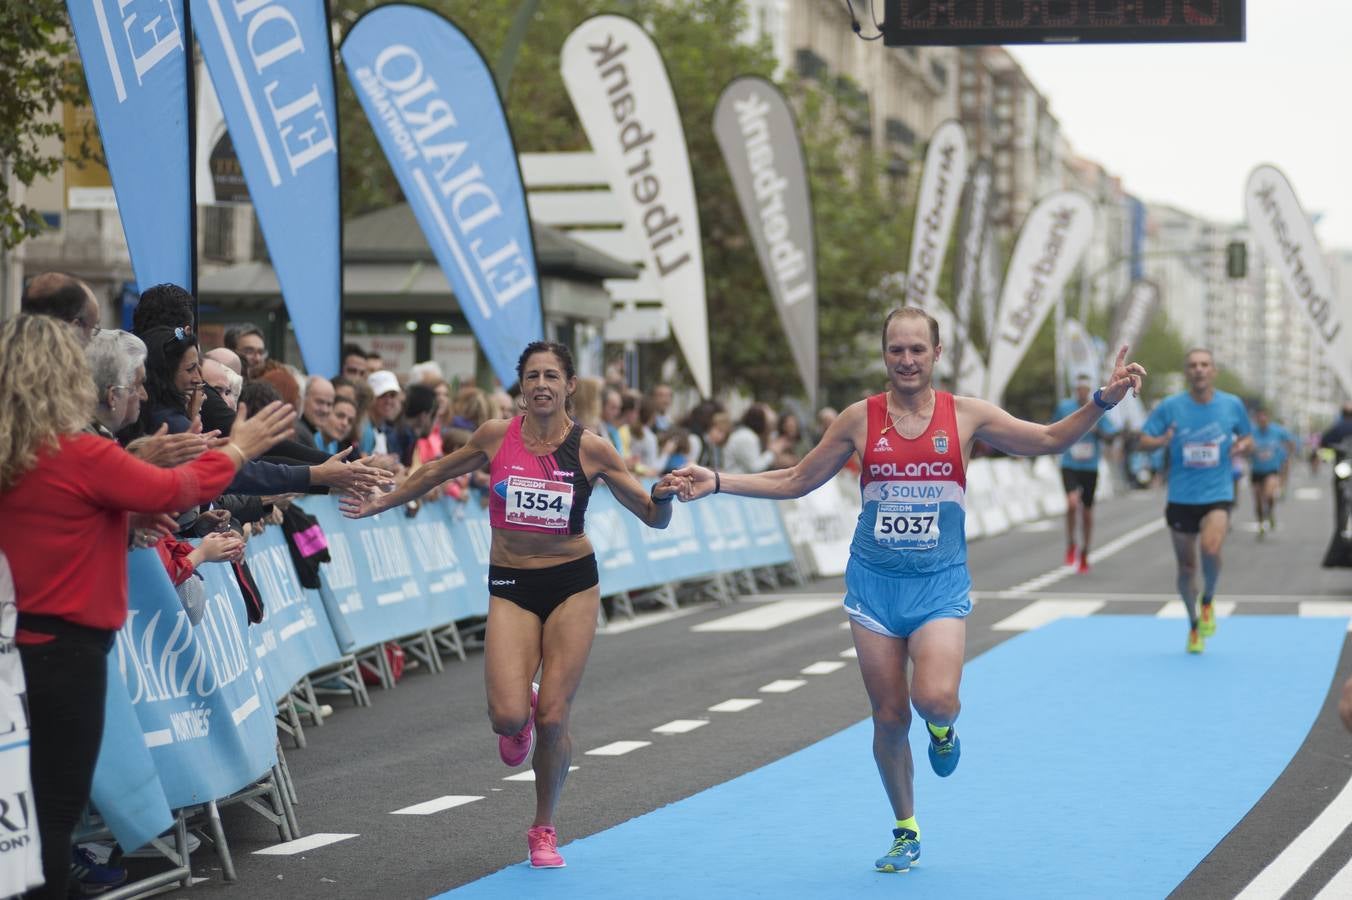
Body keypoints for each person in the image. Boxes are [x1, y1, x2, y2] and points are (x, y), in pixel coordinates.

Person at [668, 308, 1144, 874]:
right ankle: (905, 827)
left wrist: (1102, 403)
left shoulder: (965, 416)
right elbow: (797, 479)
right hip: (873, 588)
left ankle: (943, 731)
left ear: (936, 354)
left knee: (933, 700)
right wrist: (718, 481)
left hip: (939, 585)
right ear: (885, 355)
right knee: (890, 717)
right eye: (897, 350)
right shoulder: (858, 419)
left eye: (918, 349)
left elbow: (1045, 439)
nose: (907, 360)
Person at [341, 341, 681, 870]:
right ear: (520, 386)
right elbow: (436, 472)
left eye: (551, 375)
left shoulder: (592, 448)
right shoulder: (496, 436)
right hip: (511, 583)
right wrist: (384, 500)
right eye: (531, 376)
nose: (541, 384)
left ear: (570, 385)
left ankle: (543, 827)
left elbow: (652, 517)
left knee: (553, 718)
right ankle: (520, 714)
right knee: (507, 718)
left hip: (572, 584)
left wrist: (662, 496)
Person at [0, 314, 297, 900]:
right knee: (55, 810)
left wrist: (123, 518)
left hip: (19, 649)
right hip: (69, 652)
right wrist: (238, 448)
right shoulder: (76, 451)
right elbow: (172, 491)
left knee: (30, 808)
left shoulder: (18, 454)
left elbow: (63, 524)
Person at [1136, 348, 1251, 654]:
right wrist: (1162, 440)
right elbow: (1143, 440)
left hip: (1218, 493)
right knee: (1187, 568)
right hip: (1181, 497)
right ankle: (1193, 625)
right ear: (1187, 372)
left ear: (1213, 370)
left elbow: (1248, 436)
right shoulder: (1170, 407)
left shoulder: (1231, 405)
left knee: (1211, 549)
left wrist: (1242, 445)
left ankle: (1209, 599)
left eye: (1205, 365)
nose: (1199, 370)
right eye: (1193, 366)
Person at [1053, 375, 1119, 573]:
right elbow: (1051, 428)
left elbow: (1111, 436)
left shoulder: (1097, 408)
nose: (1081, 392)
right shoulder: (1065, 408)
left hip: (1090, 467)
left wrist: (1097, 431)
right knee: (1072, 503)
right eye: (1078, 389)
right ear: (1075, 390)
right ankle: (1071, 542)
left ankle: (1085, 552)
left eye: (1085, 389)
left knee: (1087, 512)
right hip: (1069, 463)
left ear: (1088, 390)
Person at [1248, 407, 1295, 537]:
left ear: (1268, 418)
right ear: (1257, 419)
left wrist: (1287, 456)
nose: (1262, 420)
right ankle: (1261, 524)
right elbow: (1244, 446)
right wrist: (1248, 451)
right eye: (1260, 417)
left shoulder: (1277, 431)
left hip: (1272, 470)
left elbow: (1291, 442)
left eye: (1265, 417)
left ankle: (1270, 512)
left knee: (1268, 495)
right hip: (1256, 470)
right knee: (1257, 501)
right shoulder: (1251, 432)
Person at [21, 272, 101, 346]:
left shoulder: (11, 355)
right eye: (94, 330)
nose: (91, 342)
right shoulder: (76, 359)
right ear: (75, 329)